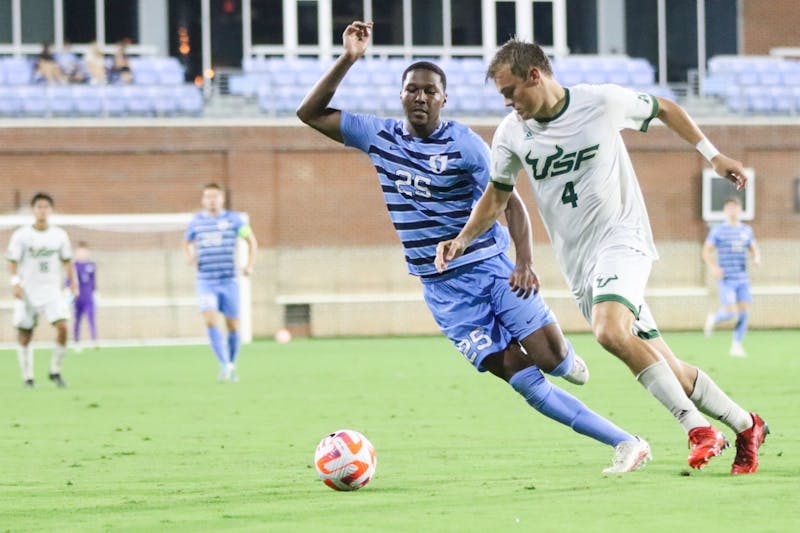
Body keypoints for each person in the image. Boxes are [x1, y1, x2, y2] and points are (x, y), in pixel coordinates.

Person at [297, 20, 652, 474]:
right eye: (412, 90)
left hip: (492, 269)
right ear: (401, 96)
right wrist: (348, 58)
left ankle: (565, 360)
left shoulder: (465, 144)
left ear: (443, 99)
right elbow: (309, 113)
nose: (420, 97)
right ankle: (626, 443)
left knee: (549, 359)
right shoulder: (378, 136)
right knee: (523, 381)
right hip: (444, 293)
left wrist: (524, 262)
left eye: (430, 91)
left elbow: (510, 204)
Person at [435, 38, 768, 474]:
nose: (507, 102)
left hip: (623, 239)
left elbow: (665, 108)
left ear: (534, 75)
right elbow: (497, 197)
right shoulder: (511, 134)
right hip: (581, 264)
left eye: (510, 91)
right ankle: (747, 425)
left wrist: (714, 155)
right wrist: (462, 239)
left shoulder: (600, 102)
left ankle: (698, 429)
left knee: (610, 331)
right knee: (668, 366)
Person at [183, 183, 257, 382]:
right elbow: (186, 241)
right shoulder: (197, 222)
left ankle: (231, 363)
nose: (211, 200)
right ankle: (224, 364)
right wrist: (189, 255)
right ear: (203, 200)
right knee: (209, 319)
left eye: (215, 196)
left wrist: (249, 265)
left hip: (228, 280)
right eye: (208, 197)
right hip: (206, 280)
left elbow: (251, 240)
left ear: (222, 199)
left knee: (233, 325)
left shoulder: (235, 220)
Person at [6, 193, 77, 388]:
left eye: (46, 207)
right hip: (28, 291)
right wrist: (15, 282)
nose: (42, 210)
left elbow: (67, 261)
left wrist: (74, 284)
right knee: (25, 333)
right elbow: (12, 261)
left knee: (63, 327)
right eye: (39, 207)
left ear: (51, 210)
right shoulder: (21, 235)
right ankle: (28, 377)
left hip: (52, 290)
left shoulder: (59, 235)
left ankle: (55, 371)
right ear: (33, 210)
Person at [702, 196, 760, 356]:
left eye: (735, 207)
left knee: (744, 313)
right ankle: (714, 318)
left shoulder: (746, 230)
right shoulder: (718, 230)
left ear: (740, 210)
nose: (732, 211)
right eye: (729, 208)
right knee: (730, 312)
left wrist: (756, 257)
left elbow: (754, 248)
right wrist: (714, 268)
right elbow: (706, 251)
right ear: (725, 210)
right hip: (727, 279)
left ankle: (736, 345)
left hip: (742, 279)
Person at [71, 241, 98, 351]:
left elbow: (93, 281)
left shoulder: (91, 265)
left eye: (84, 251)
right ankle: (76, 342)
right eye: (80, 251)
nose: (82, 253)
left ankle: (94, 340)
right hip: (77, 299)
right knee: (77, 320)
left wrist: (95, 292)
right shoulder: (73, 266)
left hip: (88, 298)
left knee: (91, 319)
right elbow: (69, 281)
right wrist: (68, 294)